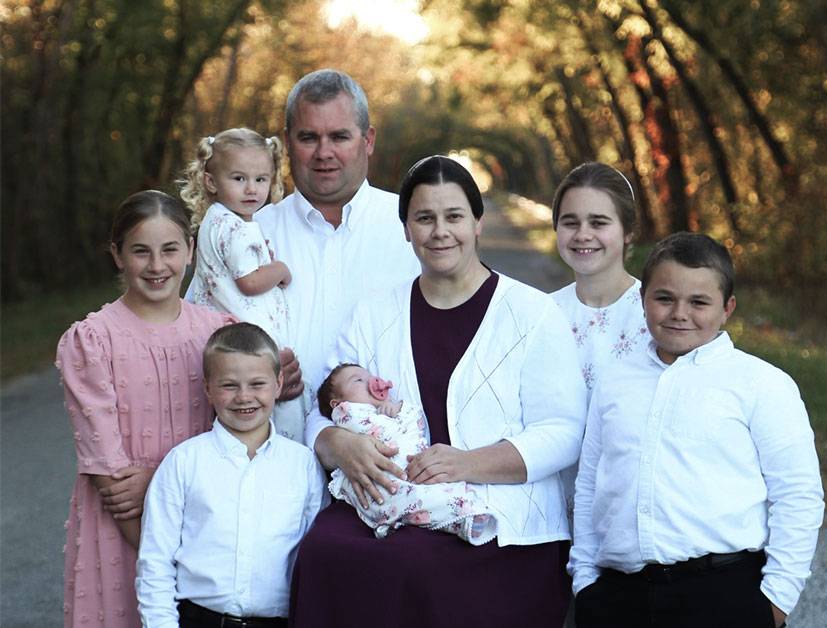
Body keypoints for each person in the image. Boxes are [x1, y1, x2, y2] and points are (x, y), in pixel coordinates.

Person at [290, 156, 587, 627]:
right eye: (424, 218)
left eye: (454, 217)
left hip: (497, 520)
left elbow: (564, 431)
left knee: (414, 566)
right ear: (406, 228)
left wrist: (467, 463)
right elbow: (323, 407)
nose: (440, 231)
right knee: (322, 553)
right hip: (387, 501)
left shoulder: (531, 314)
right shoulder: (372, 313)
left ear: (477, 222)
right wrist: (336, 442)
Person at [568, 232, 824, 628]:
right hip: (618, 598)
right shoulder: (615, 380)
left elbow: (798, 496)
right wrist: (585, 580)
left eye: (699, 302)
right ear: (643, 299)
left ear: (727, 308)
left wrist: (774, 601)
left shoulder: (762, 384)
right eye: (664, 298)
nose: (679, 313)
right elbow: (589, 485)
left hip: (723, 594)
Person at [56, 190, 236, 628]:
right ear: (117, 255)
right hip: (122, 529)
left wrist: (159, 482)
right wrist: (162, 560)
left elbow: (236, 437)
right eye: (141, 251)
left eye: (170, 249)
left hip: (202, 524)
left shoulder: (218, 333)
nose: (157, 266)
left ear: (191, 250)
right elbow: (110, 474)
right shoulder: (92, 340)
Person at [136, 322, 326, 627]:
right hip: (199, 620)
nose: (243, 396)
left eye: (257, 384)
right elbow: (155, 563)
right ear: (208, 388)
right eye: (229, 385)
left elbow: (316, 554)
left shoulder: (302, 464)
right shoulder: (183, 462)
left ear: (278, 384)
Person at [251, 68, 421, 405]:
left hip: (389, 449)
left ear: (368, 140)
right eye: (308, 137)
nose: (323, 152)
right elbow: (196, 340)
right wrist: (250, 379)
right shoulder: (250, 233)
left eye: (339, 137)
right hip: (271, 449)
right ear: (287, 143)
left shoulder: (415, 229)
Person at [182, 127, 307, 441]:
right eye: (238, 179)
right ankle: (290, 448)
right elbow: (250, 282)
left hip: (219, 328)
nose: (251, 189)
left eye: (261, 179)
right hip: (248, 330)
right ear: (211, 181)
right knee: (280, 405)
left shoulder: (215, 218)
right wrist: (278, 270)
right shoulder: (238, 227)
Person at [317, 363, 497, 544]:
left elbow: (416, 425)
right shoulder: (347, 414)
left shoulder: (383, 411)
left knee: (432, 491)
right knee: (417, 499)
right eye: (358, 380)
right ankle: (464, 516)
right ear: (337, 403)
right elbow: (381, 434)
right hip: (383, 480)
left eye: (370, 377)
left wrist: (399, 410)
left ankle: (463, 510)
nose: (371, 382)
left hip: (409, 468)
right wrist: (394, 417)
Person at [551, 162, 649, 396]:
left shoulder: (656, 314)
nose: (583, 235)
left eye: (598, 223)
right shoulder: (542, 312)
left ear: (628, 231)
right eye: (570, 223)